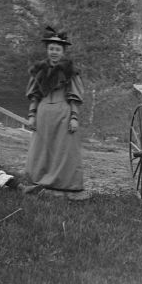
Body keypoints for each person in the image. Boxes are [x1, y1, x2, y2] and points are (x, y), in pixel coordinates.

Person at [24, 26, 88, 200]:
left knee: (64, 149)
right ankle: (39, 182)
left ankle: (65, 186)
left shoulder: (70, 72)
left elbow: (74, 97)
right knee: (42, 149)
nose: (54, 52)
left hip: (63, 113)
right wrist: (32, 115)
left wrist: (74, 117)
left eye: (57, 49)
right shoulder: (39, 71)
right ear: (47, 50)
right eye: (51, 49)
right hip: (43, 114)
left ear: (63, 52)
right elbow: (34, 96)